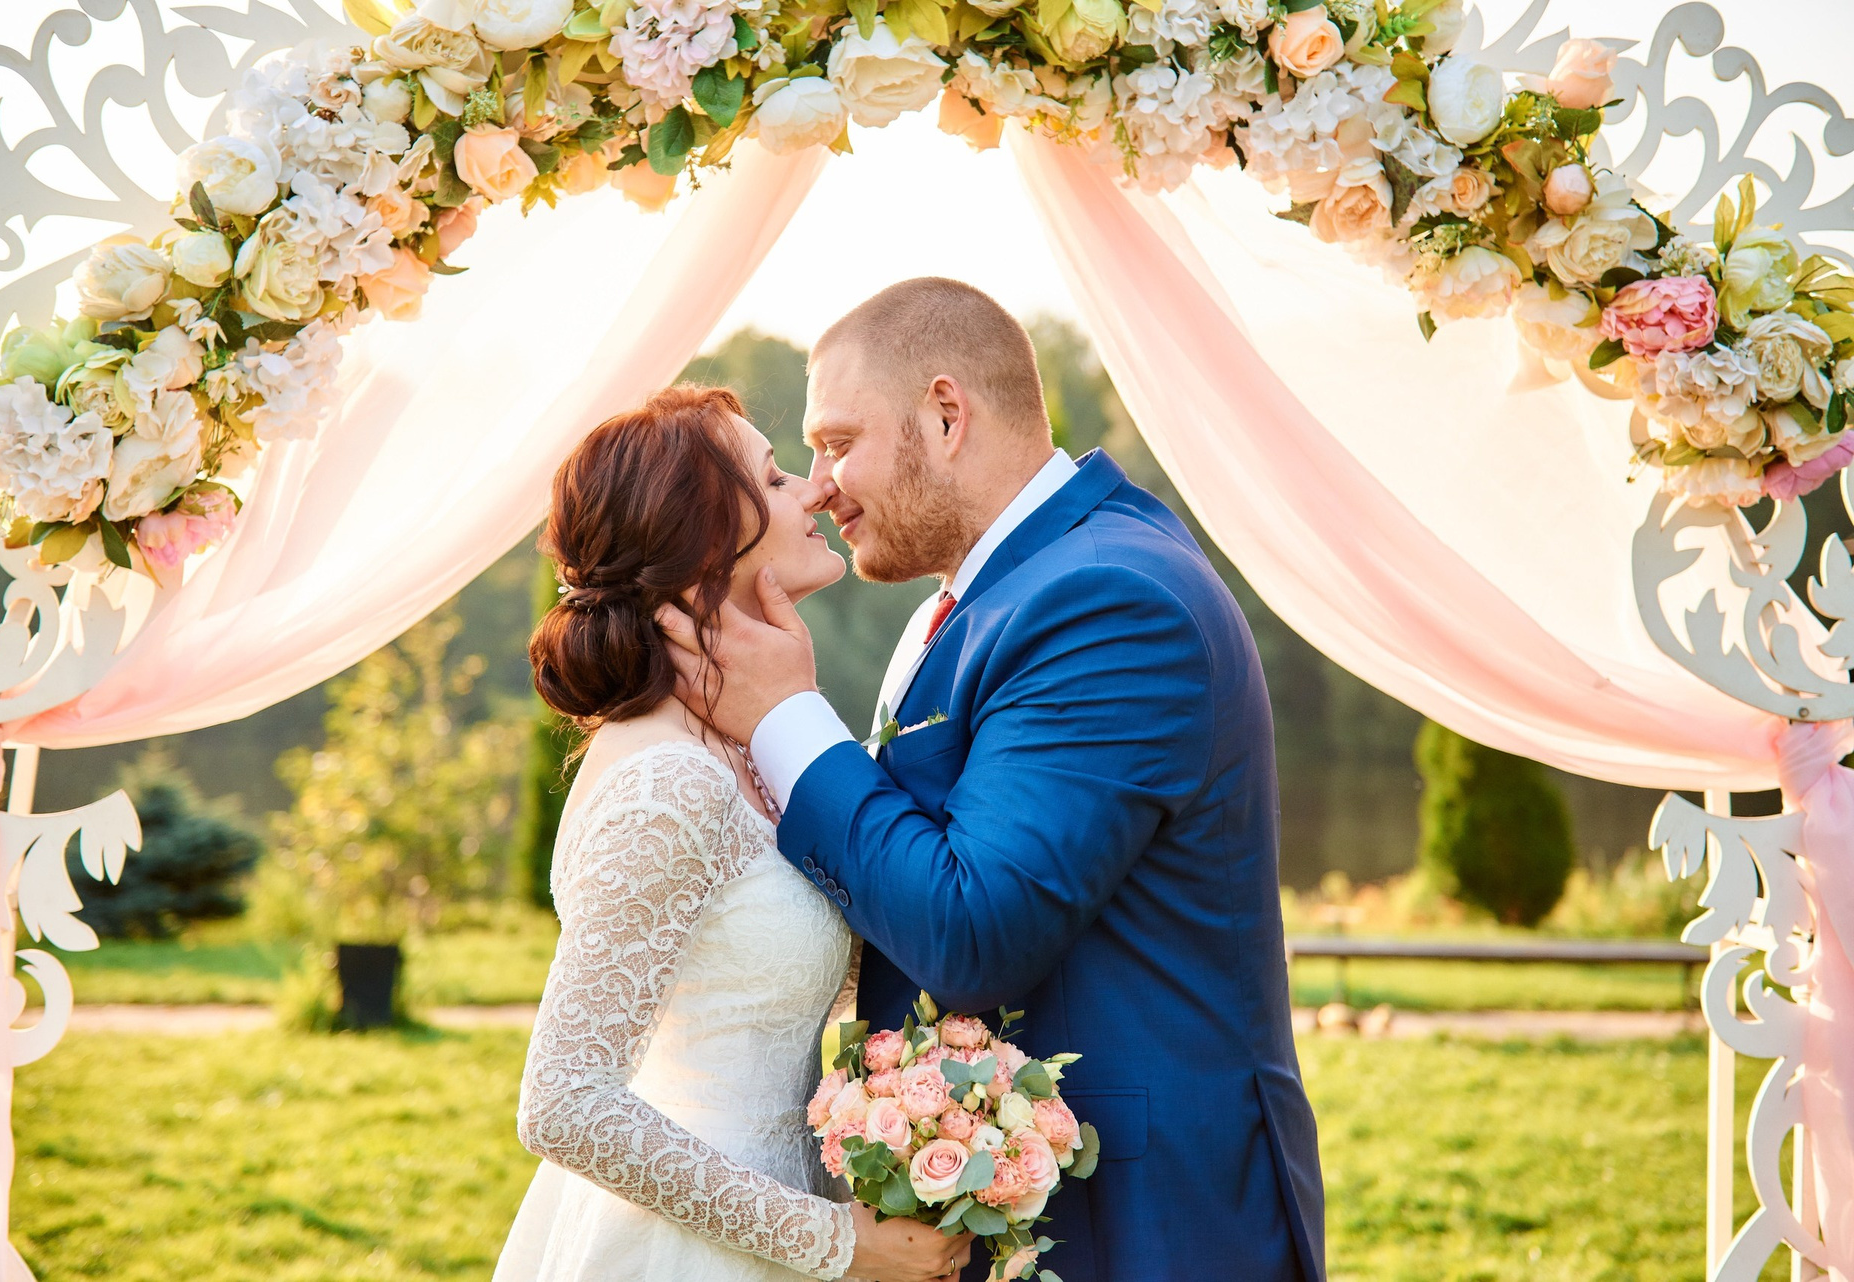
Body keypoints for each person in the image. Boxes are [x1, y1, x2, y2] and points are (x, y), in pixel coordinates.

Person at [659, 279, 1327, 1281]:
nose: (820, 486)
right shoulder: (991, 593)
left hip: (1142, 1229)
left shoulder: (1107, 599)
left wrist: (784, 717)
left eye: (837, 442)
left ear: (945, 414)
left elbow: (975, 931)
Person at [494, 385, 971, 1282]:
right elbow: (563, 1103)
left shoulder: (747, 748)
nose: (816, 489)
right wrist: (835, 1243)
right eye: (777, 477)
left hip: (781, 1212)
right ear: (706, 536)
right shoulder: (668, 780)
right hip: (684, 1251)